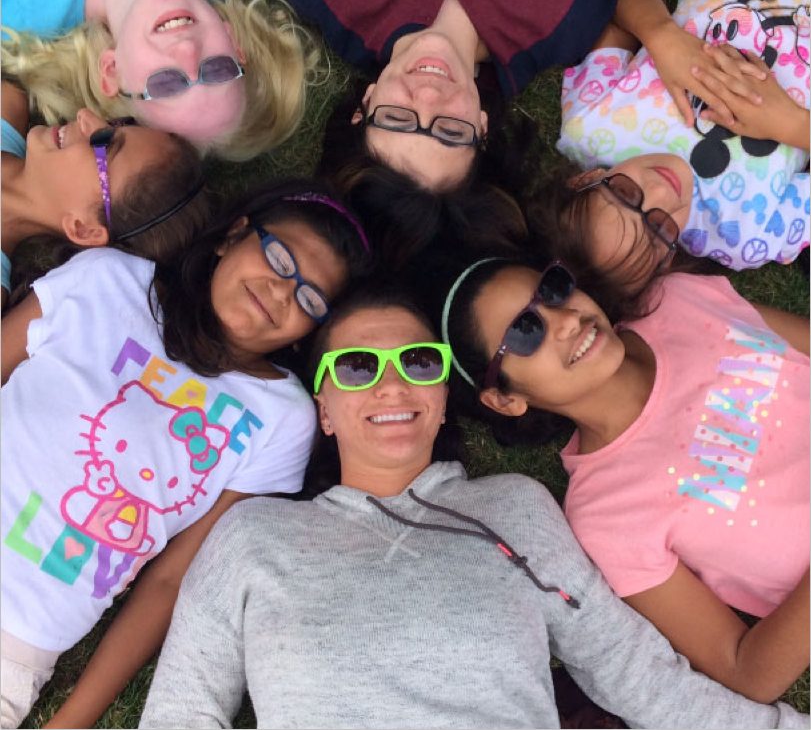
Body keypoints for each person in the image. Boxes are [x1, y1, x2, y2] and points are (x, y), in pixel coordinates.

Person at [139, 286, 806, 728]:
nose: (391, 382)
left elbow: (632, 672)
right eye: (355, 368)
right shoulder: (254, 536)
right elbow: (181, 708)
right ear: (325, 409)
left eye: (418, 362)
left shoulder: (514, 509)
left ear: (441, 394)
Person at [0, 180, 371, 728]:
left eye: (310, 299)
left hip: (17, 642)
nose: (280, 292)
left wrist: (69, 723)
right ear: (233, 235)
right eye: (278, 257)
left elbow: (170, 583)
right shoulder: (109, 280)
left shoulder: (281, 419)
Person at [437, 254, 809, 704]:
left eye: (552, 289)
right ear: (505, 400)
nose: (567, 318)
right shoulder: (606, 514)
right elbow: (744, 669)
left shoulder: (674, 301)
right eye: (525, 331)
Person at [271, 0, 633, 192]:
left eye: (397, 118)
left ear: (363, 106)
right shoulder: (568, 20)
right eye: (451, 131)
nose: (428, 97)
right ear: (482, 128)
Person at [555, 0, 810, 276]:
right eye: (660, 230)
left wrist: (660, 36)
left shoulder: (590, 127)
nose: (661, 192)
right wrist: (794, 126)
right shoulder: (745, 234)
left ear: (585, 180)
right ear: (668, 260)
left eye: (626, 194)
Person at [1, 0, 319, 161]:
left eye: (165, 82)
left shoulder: (22, 7)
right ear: (234, 42)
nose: (187, 49)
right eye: (218, 69)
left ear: (111, 71)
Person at [1, 80, 208, 312]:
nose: (85, 116)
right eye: (116, 124)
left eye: (104, 144)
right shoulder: (7, 101)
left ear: (85, 229)